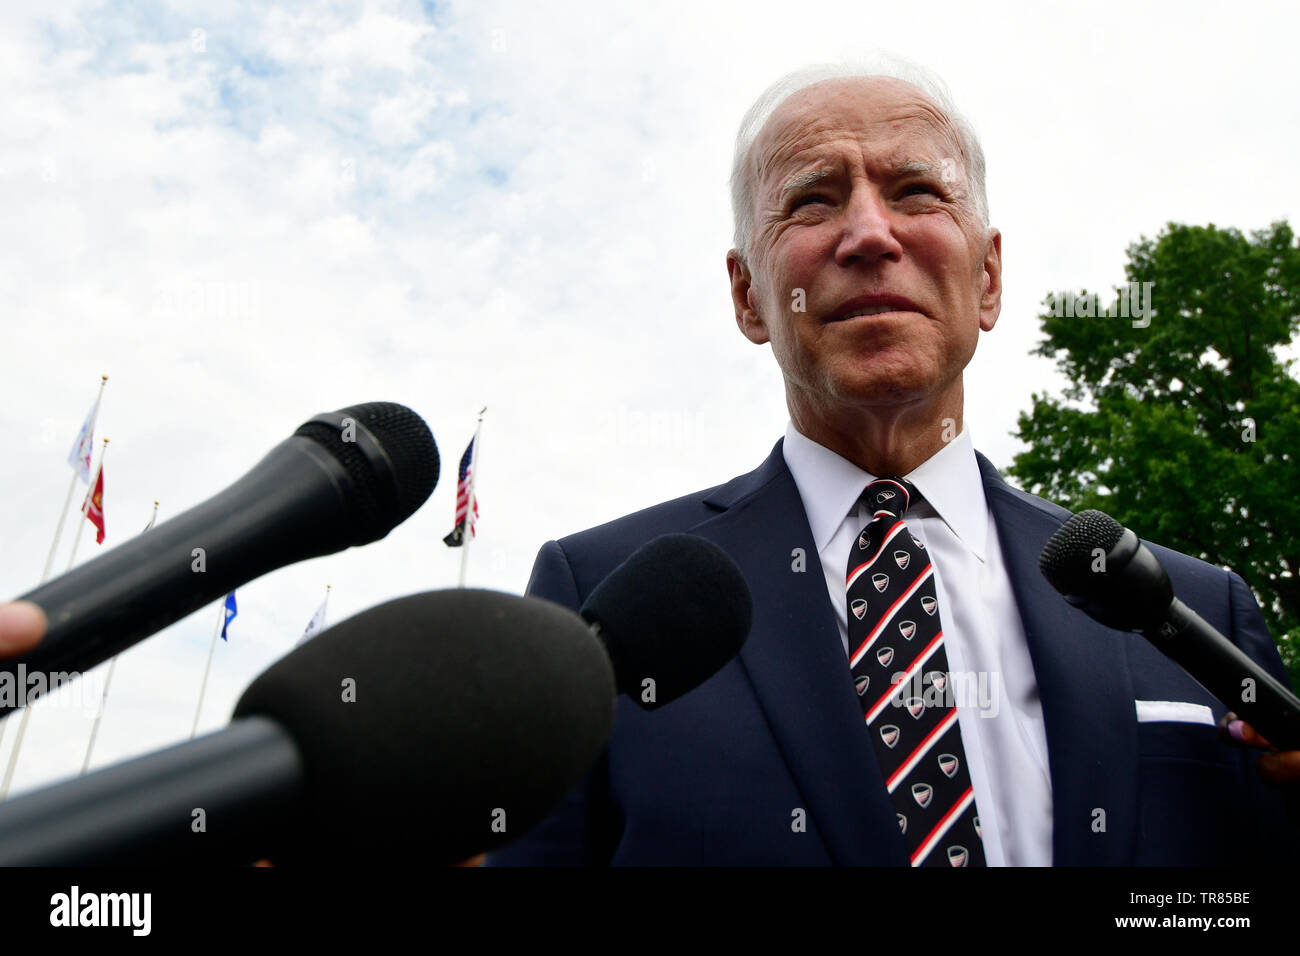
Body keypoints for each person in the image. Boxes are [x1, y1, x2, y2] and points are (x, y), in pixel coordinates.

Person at [487, 58, 1300, 866]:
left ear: (988, 277)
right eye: (812, 200)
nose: (871, 235)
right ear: (747, 296)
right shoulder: (596, 600)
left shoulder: (1198, 614)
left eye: (916, 192)